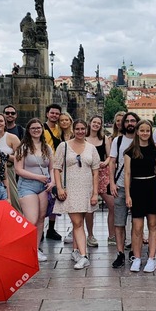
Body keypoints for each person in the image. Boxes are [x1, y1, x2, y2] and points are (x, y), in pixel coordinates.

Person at [53, 119, 100, 270]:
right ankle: (84, 256)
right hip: (71, 190)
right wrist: (59, 188)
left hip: (85, 189)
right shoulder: (64, 146)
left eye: (82, 129)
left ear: (86, 130)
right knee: (78, 223)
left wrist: (94, 193)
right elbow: (56, 168)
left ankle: (75, 251)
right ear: (73, 130)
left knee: (77, 223)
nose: (80, 131)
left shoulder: (91, 148)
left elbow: (95, 172)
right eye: (77, 129)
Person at [124, 120, 156, 272]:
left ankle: (152, 258)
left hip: (152, 187)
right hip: (136, 188)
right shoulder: (130, 151)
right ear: (137, 132)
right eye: (142, 130)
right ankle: (137, 258)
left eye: (147, 130)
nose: (145, 133)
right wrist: (128, 195)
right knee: (137, 227)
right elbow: (127, 174)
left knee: (153, 225)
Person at [15, 118, 55, 262]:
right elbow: (18, 170)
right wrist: (37, 177)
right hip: (27, 185)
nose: (36, 130)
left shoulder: (47, 147)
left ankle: (35, 248)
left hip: (44, 186)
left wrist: (53, 182)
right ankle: (24, 247)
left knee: (40, 219)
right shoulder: (23, 147)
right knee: (31, 219)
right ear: (28, 130)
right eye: (33, 128)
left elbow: (52, 168)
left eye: (38, 128)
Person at [109, 112, 138, 268]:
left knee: (137, 221)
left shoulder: (142, 139)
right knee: (119, 222)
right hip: (120, 185)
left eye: (133, 120)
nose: (130, 123)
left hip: (139, 186)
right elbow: (112, 162)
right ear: (123, 124)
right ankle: (120, 252)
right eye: (127, 121)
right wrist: (112, 183)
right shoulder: (117, 140)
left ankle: (134, 251)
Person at [85, 115, 110, 248]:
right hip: (87, 173)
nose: (96, 125)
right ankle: (90, 235)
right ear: (90, 123)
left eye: (98, 123)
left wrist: (104, 163)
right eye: (94, 122)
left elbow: (110, 156)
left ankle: (112, 235)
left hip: (102, 173)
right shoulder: (83, 138)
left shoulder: (104, 138)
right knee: (90, 207)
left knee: (112, 204)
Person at [42, 104, 64, 241]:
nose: (54, 115)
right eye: (52, 113)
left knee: (54, 199)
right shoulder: (42, 128)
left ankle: (51, 228)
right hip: (44, 165)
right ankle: (41, 227)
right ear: (47, 114)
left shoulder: (60, 129)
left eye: (57, 113)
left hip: (57, 166)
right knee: (44, 198)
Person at [104, 111, 125, 246]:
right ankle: (113, 235)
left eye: (122, 120)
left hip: (127, 175)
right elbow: (110, 158)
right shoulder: (112, 138)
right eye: (117, 120)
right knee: (115, 208)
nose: (120, 122)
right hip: (116, 174)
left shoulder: (134, 137)